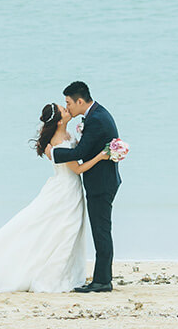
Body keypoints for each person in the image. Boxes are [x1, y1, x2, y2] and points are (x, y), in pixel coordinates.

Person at [0, 102, 109, 292]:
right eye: (64, 110)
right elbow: (77, 169)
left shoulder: (68, 136)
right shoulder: (56, 145)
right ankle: (51, 274)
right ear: (60, 121)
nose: (67, 109)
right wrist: (101, 156)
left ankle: (64, 272)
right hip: (64, 191)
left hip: (69, 189)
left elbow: (80, 153)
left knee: (64, 231)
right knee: (63, 230)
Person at [47, 81, 121, 292]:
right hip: (103, 181)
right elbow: (86, 148)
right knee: (101, 230)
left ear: (80, 101)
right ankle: (102, 279)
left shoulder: (96, 119)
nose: (68, 107)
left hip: (101, 184)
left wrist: (53, 153)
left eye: (68, 103)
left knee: (101, 232)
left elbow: (79, 154)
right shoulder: (97, 114)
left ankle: (102, 281)